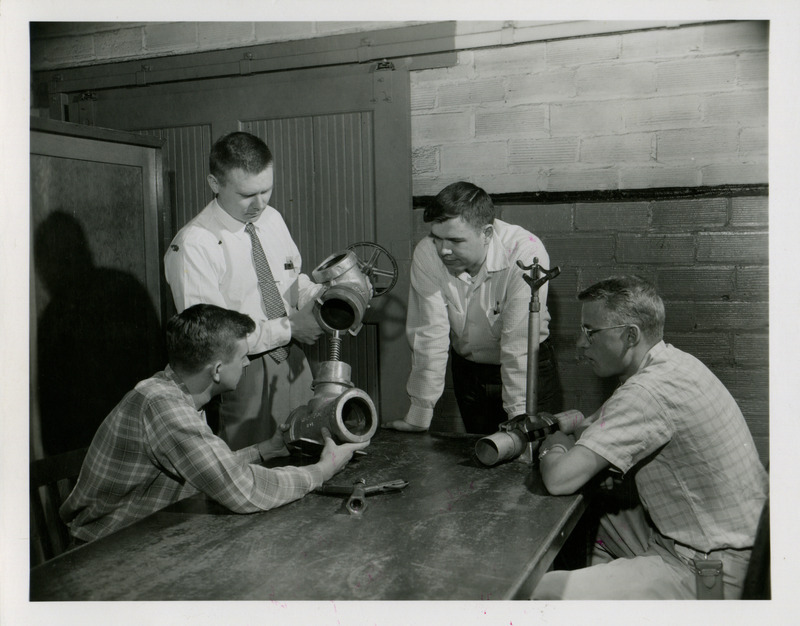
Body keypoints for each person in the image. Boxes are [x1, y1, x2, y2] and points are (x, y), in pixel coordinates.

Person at [531, 276, 768, 600]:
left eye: (591, 332)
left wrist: (551, 445)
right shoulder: (672, 363)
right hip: (729, 542)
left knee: (542, 592)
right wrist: (579, 433)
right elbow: (599, 425)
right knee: (590, 521)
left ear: (631, 336)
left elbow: (560, 479)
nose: (582, 344)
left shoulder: (646, 391)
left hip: (708, 570)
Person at [60, 304, 368, 543]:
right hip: (105, 548)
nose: (247, 363)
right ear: (218, 370)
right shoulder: (163, 405)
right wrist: (322, 471)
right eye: (243, 357)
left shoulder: (176, 391)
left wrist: (266, 449)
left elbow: (209, 467)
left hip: (145, 530)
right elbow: (243, 490)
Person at [164, 131, 324, 452]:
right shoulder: (195, 244)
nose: (260, 203)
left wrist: (322, 296)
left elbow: (290, 281)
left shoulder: (272, 218)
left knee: (307, 452)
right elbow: (213, 341)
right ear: (214, 183)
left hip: (293, 363)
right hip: (240, 375)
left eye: (267, 190)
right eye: (247, 194)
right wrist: (290, 328)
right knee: (253, 472)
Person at [384, 181, 560, 435]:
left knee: (529, 457)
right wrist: (419, 414)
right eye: (437, 238)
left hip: (528, 370)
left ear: (487, 233)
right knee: (480, 454)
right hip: (469, 372)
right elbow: (429, 336)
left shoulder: (525, 253)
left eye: (456, 241)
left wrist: (520, 422)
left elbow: (518, 348)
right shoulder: (428, 253)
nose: (444, 251)